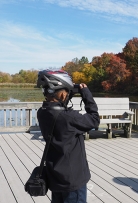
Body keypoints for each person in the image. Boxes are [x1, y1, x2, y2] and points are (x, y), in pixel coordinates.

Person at [36, 70, 100, 203]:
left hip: (55, 176)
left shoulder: (42, 113)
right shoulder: (69, 118)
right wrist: (86, 94)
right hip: (73, 180)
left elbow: (57, 105)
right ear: (63, 93)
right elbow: (94, 120)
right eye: (67, 90)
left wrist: (67, 93)